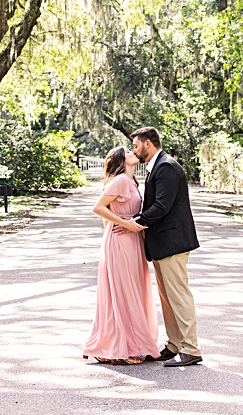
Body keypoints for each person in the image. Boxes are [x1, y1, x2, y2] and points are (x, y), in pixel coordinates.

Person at [118, 126, 203, 367]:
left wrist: (135, 223)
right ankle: (175, 344)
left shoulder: (166, 166)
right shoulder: (157, 165)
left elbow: (162, 206)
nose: (134, 150)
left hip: (172, 243)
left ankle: (192, 348)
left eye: (135, 145)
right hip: (161, 244)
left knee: (179, 296)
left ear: (147, 144)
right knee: (167, 298)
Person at [82, 146, 163, 365]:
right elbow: (98, 207)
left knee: (132, 290)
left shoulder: (133, 182)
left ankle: (129, 343)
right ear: (120, 159)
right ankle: (120, 347)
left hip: (132, 240)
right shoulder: (119, 181)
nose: (133, 151)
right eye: (128, 150)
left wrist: (131, 225)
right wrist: (124, 223)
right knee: (123, 292)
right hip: (120, 241)